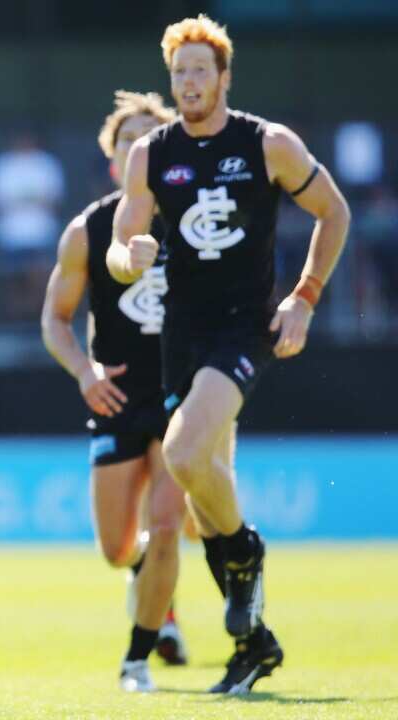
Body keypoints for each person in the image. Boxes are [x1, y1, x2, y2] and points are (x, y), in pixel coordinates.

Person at [108, 14, 351, 694]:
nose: (188, 83)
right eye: (179, 72)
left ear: (223, 78)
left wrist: (303, 296)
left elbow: (335, 213)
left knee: (184, 457)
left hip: (245, 328)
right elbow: (122, 240)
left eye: (199, 71)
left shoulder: (267, 143)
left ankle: (246, 552)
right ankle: (253, 644)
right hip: (179, 335)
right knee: (207, 480)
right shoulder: (150, 153)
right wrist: (131, 255)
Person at [41, 91, 187, 692]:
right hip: (118, 396)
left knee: (170, 522)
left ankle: (141, 655)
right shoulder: (87, 229)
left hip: (183, 391)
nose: (140, 150)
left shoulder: (197, 218)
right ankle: (152, 583)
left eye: (152, 140)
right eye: (129, 142)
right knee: (116, 547)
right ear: (113, 161)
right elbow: (55, 320)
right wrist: (84, 372)